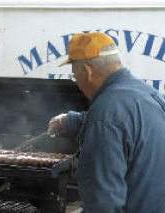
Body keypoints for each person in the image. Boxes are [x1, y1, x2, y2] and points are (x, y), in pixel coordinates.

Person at [47, 32, 165, 213]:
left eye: (74, 76)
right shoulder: (151, 95)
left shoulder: (106, 113)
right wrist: (68, 120)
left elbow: (102, 203)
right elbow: (126, 126)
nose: (77, 82)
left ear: (87, 71)